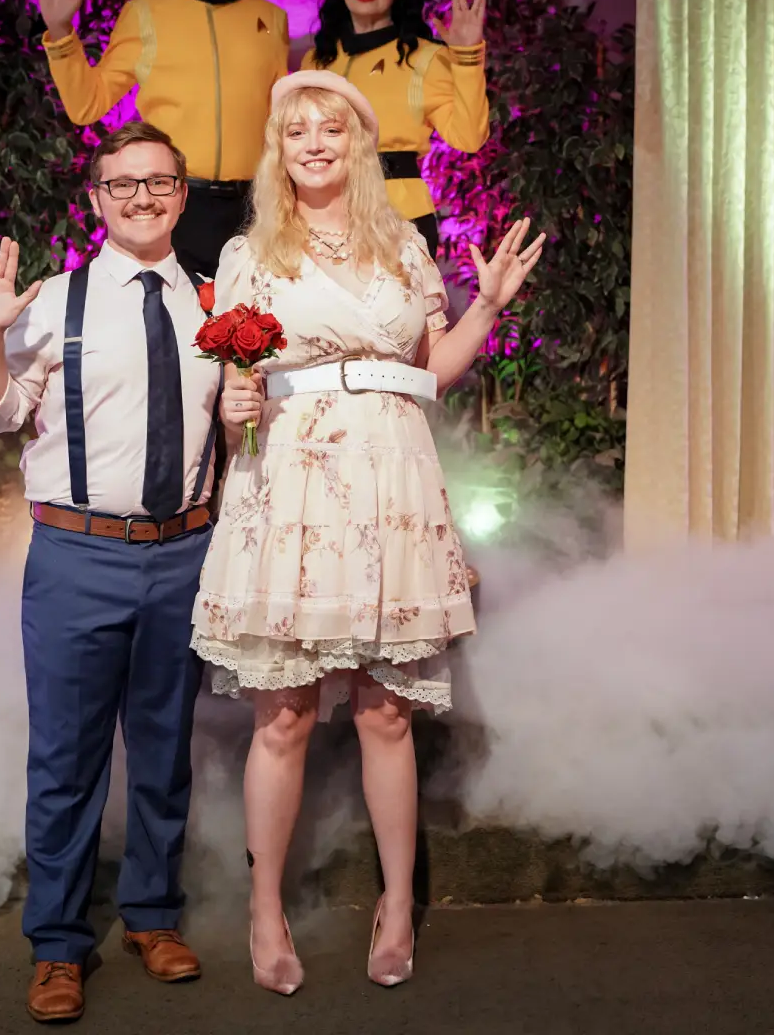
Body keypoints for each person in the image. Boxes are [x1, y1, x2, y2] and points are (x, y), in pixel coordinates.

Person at [191, 72, 543, 995]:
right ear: (279, 148)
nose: (314, 142)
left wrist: (489, 304)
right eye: (296, 129)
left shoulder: (406, 247)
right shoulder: (249, 254)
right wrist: (234, 413)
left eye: (332, 128)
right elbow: (237, 391)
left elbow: (436, 372)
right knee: (286, 712)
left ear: (358, 142)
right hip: (295, 476)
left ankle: (396, 903)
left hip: (390, 475)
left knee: (387, 710)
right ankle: (265, 908)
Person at [0, 122, 223, 1024]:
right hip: (76, 556)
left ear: (183, 194)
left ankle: (152, 916)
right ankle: (60, 945)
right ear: (98, 199)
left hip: (187, 551)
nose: (142, 197)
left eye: (159, 182)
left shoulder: (221, 305)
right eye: (124, 184)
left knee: (162, 753)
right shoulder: (55, 301)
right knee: (67, 760)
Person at [34, 0, 290, 280]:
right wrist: (62, 32)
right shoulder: (144, 14)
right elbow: (87, 105)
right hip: (170, 205)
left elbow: (284, 120)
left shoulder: (272, 20)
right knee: (172, 334)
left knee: (254, 335)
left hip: (255, 209)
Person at [303, 0, 490, 261]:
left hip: (399, 218)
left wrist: (467, 57)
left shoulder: (427, 58)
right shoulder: (317, 62)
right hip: (322, 216)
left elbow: (469, 137)